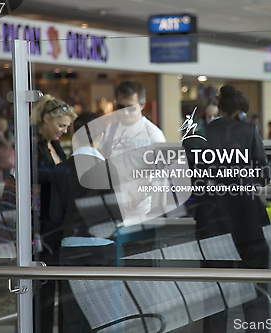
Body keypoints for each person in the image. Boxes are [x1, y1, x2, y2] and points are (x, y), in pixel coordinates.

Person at [183, 85, 270, 333]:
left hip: (211, 225)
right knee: (255, 292)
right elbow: (263, 176)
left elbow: (191, 184)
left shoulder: (195, 138)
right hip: (249, 224)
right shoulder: (249, 131)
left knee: (214, 297)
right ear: (240, 112)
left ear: (219, 109)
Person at [50, 111, 121, 333]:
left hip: (71, 250)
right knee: (99, 316)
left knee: (71, 316)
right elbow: (118, 215)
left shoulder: (60, 170)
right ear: (100, 136)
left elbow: (54, 216)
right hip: (102, 250)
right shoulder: (108, 168)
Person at [31, 94, 77, 333]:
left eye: (67, 127)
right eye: (61, 126)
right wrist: (67, 171)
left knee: (57, 289)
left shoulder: (54, 144)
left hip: (56, 225)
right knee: (45, 291)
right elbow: (38, 174)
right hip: (41, 227)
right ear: (46, 118)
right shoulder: (32, 144)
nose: (63, 131)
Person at [101, 80, 165, 226]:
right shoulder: (110, 130)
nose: (124, 112)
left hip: (141, 212)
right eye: (120, 107)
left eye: (130, 107)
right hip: (113, 210)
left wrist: (141, 194)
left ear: (142, 105)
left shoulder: (153, 134)